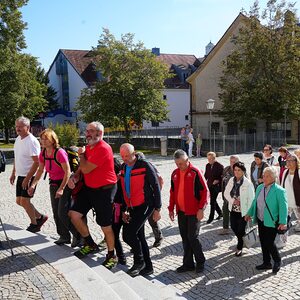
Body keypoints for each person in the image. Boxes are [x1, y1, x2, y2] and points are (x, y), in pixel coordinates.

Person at [68, 122, 118, 270]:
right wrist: (75, 177)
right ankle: (90, 244)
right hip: (90, 188)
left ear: (99, 133)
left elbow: (86, 168)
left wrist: (81, 155)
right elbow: (82, 170)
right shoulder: (89, 147)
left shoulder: (103, 148)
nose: (87, 133)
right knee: (74, 214)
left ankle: (111, 255)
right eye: (87, 130)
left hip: (105, 190)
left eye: (91, 131)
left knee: (105, 226)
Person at [119, 143, 161, 277]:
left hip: (146, 205)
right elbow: (124, 189)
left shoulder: (144, 165)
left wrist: (157, 208)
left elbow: (156, 186)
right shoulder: (123, 167)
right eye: (122, 156)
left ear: (134, 153)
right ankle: (148, 267)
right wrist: (124, 209)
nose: (125, 158)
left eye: (127, 155)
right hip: (132, 207)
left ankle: (139, 261)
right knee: (139, 236)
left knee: (128, 234)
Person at [28, 129, 72, 245]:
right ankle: (64, 236)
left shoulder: (60, 152)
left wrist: (62, 188)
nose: (42, 141)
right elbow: (40, 170)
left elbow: (67, 172)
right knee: (56, 212)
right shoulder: (43, 153)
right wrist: (33, 184)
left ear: (53, 140)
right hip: (53, 184)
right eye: (41, 139)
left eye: (45, 138)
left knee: (63, 212)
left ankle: (78, 236)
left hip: (65, 183)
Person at [168, 149, 209, 273]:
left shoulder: (195, 172)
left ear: (187, 160)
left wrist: (201, 208)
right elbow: (172, 192)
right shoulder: (174, 173)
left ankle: (200, 261)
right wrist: (171, 208)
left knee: (193, 237)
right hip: (181, 211)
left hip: (194, 211)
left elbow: (205, 192)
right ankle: (188, 264)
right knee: (185, 238)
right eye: (177, 164)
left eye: (181, 163)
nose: (179, 166)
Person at [245, 167, 288, 274]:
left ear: (274, 177)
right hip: (260, 219)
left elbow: (283, 207)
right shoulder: (259, 187)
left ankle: (277, 260)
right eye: (264, 175)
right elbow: (255, 202)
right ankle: (266, 262)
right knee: (263, 242)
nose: (265, 178)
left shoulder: (279, 190)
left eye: (268, 176)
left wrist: (283, 222)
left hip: (271, 221)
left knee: (269, 242)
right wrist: (249, 213)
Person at [9, 116, 48, 233]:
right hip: (21, 175)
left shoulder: (31, 141)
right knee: (19, 201)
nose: (18, 129)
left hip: (29, 175)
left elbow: (37, 162)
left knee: (25, 201)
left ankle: (34, 224)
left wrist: (28, 178)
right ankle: (40, 217)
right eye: (16, 126)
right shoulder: (18, 139)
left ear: (28, 127)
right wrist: (13, 172)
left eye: (20, 127)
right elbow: (17, 157)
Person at [224, 162, 255, 256]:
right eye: (235, 170)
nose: (237, 172)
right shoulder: (231, 180)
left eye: (239, 170)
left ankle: (240, 246)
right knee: (233, 227)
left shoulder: (247, 183)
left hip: (244, 211)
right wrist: (233, 201)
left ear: (243, 171)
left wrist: (249, 213)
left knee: (241, 229)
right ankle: (241, 239)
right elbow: (226, 193)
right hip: (233, 209)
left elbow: (252, 198)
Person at [136, 152, 164, 248]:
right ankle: (139, 243)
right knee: (139, 222)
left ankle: (158, 237)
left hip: (150, 199)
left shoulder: (148, 166)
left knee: (152, 220)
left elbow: (159, 180)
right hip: (140, 199)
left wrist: (156, 194)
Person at [278, 154, 300, 248]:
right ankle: (283, 241)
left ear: (296, 162)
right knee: (284, 222)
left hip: (298, 203)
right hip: (287, 203)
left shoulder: (299, 172)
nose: (289, 162)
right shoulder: (285, 172)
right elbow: (282, 186)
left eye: (292, 160)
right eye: (288, 161)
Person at [219, 155, 240, 235]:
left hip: (236, 195)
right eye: (231, 161)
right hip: (227, 194)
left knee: (236, 211)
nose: (232, 163)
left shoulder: (241, 169)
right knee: (225, 209)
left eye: (234, 162)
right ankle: (225, 227)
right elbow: (223, 180)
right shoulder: (226, 169)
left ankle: (238, 227)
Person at [204, 152, 224, 223]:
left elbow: (223, 177)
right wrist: (203, 182)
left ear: (214, 158)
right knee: (213, 200)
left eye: (211, 159)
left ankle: (211, 217)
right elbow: (206, 175)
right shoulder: (207, 165)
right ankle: (220, 213)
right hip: (209, 185)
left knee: (212, 202)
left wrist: (218, 180)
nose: (209, 160)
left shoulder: (219, 166)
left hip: (216, 187)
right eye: (208, 159)